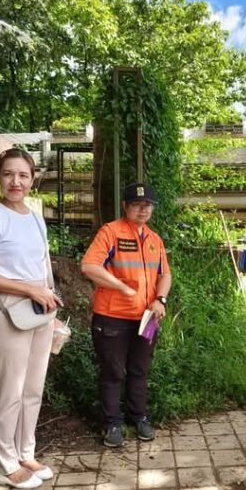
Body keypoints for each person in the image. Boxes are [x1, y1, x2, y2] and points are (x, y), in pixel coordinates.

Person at [0, 148, 61, 490]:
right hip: (7, 308)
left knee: (33, 388)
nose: (16, 182)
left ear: (33, 178)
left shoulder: (35, 217)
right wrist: (29, 290)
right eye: (8, 174)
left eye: (23, 175)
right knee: (10, 389)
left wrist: (51, 302)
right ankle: (5, 463)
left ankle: (26, 452)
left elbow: (42, 267)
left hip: (39, 309)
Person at [81, 183, 172, 448]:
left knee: (140, 369)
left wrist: (160, 299)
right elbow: (89, 266)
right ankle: (111, 424)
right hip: (112, 317)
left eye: (147, 205)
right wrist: (121, 287)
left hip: (147, 318)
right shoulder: (111, 232)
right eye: (136, 204)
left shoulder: (154, 239)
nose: (143, 209)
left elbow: (165, 274)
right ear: (125, 206)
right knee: (112, 372)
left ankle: (139, 417)